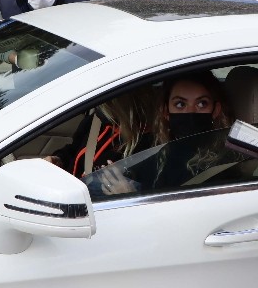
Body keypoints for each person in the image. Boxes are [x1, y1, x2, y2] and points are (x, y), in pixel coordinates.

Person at [87, 71, 237, 196]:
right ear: (166, 112)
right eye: (180, 104)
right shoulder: (156, 149)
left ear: (215, 110)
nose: (190, 112)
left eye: (201, 104)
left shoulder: (223, 166)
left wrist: (131, 197)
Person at [45, 87, 157, 178]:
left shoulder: (150, 141)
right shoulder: (96, 122)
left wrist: (128, 192)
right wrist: (59, 159)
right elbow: (74, 150)